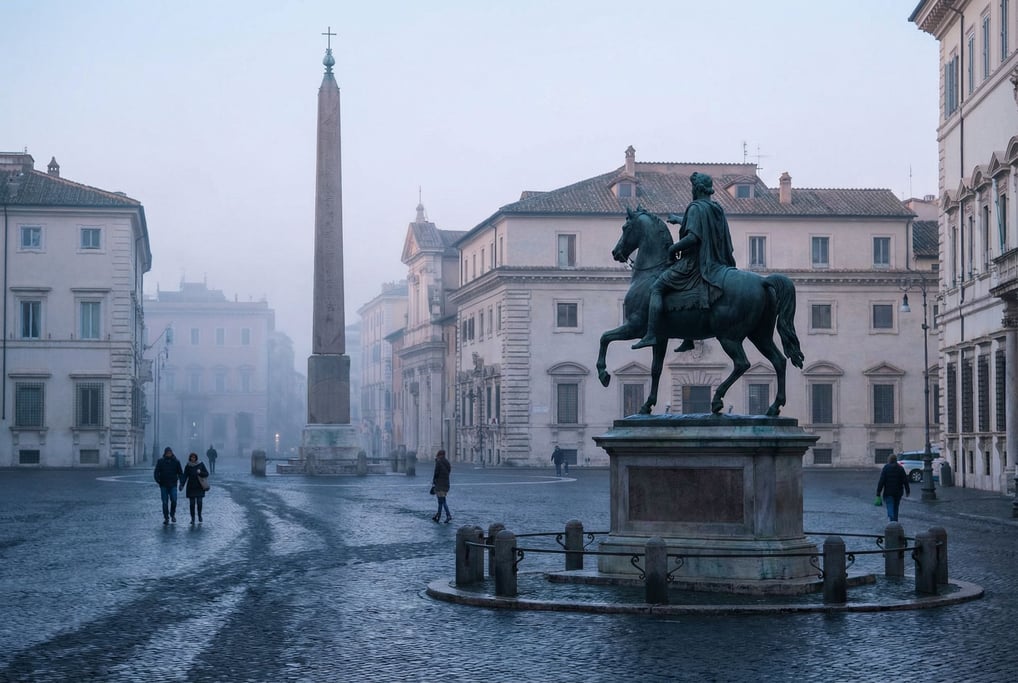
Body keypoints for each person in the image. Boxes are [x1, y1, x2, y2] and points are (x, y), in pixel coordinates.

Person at [633, 172, 736, 351]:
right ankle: (687, 338)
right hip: (715, 261)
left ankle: (650, 334)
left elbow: (694, 237)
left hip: (695, 263)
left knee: (657, 287)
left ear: (696, 188)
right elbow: (703, 224)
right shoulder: (715, 208)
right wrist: (680, 220)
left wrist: (674, 248)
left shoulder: (696, 207)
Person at [876, 454, 911, 523]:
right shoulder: (900, 468)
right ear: (896, 460)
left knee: (890, 505)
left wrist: (878, 492)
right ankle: (895, 520)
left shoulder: (886, 468)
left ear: (889, 460)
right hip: (898, 491)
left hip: (888, 491)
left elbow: (882, 480)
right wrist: (907, 490)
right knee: (896, 506)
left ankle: (891, 518)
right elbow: (905, 480)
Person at [153, 447, 184, 525]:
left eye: (170, 452)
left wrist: (181, 483)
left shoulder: (176, 462)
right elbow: (156, 472)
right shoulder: (160, 461)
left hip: (173, 484)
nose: (169, 454)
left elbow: (180, 473)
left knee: (174, 500)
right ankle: (166, 517)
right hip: (163, 484)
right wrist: (158, 480)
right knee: (165, 502)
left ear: (172, 453)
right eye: (167, 452)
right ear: (165, 453)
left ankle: (172, 514)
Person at [180, 452, 210, 525]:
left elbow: (206, 474)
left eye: (194, 457)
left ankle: (199, 515)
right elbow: (185, 476)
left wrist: (200, 473)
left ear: (196, 458)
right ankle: (192, 518)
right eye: (191, 457)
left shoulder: (200, 464)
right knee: (192, 504)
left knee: (199, 502)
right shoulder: (188, 466)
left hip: (199, 486)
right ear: (190, 458)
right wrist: (182, 485)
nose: (192, 459)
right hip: (191, 487)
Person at [431, 449, 452, 523]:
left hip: (439, 485)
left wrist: (434, 482)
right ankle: (438, 515)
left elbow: (436, 473)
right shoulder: (447, 462)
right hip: (446, 484)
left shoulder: (438, 462)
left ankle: (448, 515)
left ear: (439, 455)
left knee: (442, 501)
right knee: (441, 501)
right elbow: (449, 471)